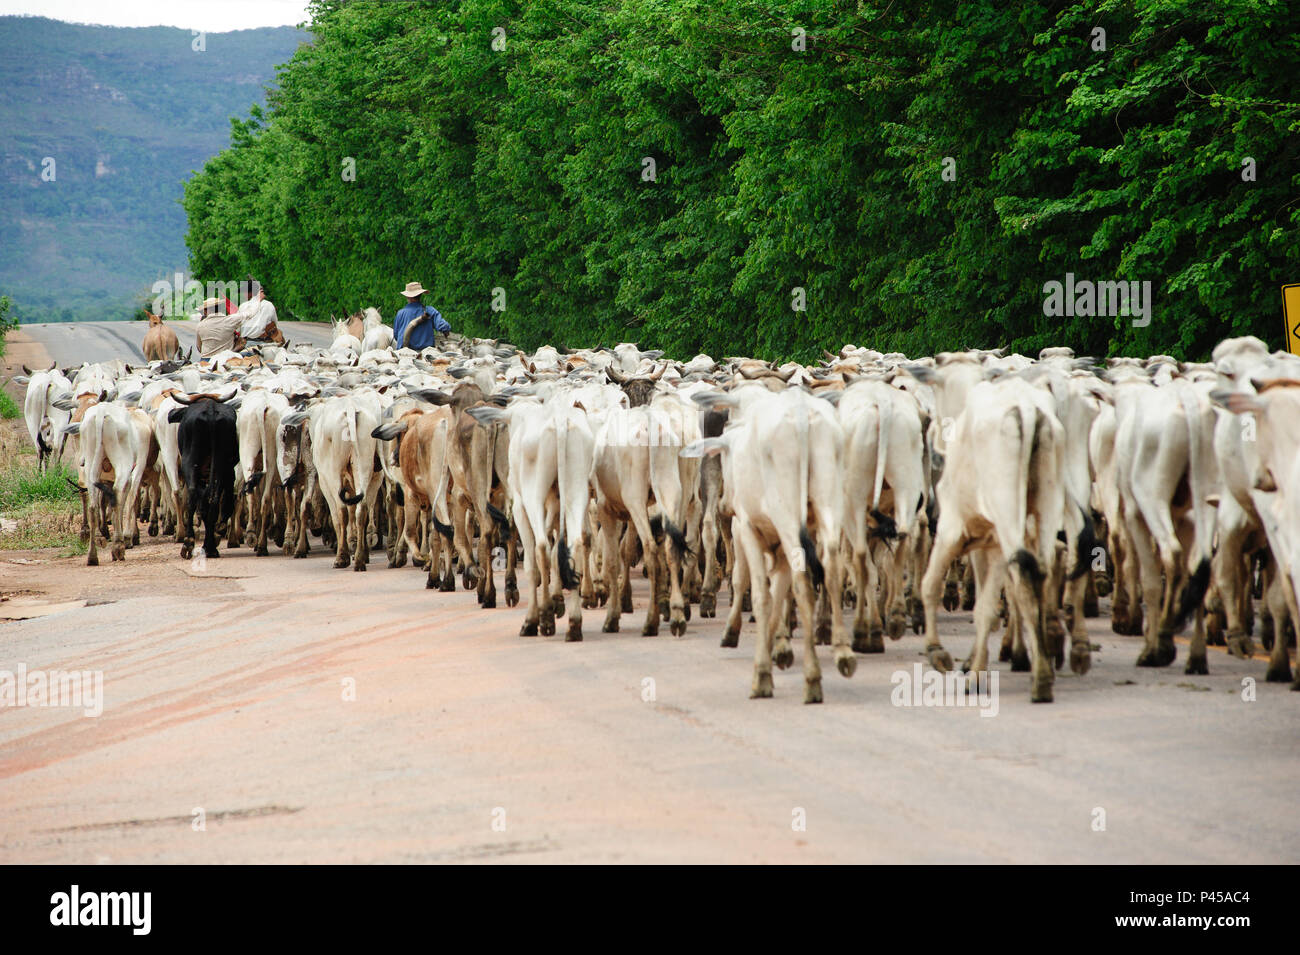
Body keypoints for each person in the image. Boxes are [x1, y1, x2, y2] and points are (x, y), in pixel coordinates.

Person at [392, 281, 449, 350]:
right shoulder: (430, 310)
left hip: (404, 352)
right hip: (426, 351)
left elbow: (396, 335)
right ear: (420, 295)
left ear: (407, 296)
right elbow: (443, 326)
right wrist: (446, 331)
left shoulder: (400, 313)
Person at [235, 279, 284, 344]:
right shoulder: (269, 304)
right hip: (265, 343)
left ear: (250, 293)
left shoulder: (243, 306)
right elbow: (274, 323)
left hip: (246, 343)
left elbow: (238, 328)